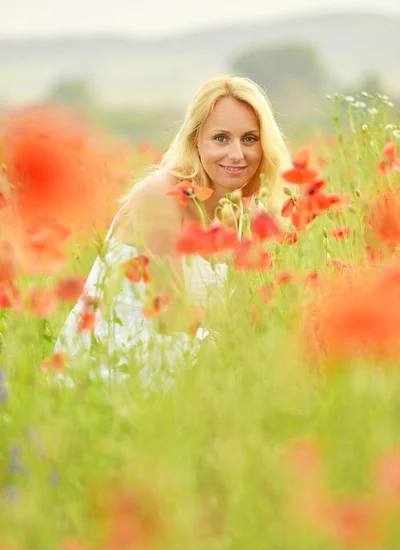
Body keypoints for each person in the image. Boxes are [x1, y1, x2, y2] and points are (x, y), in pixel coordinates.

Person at [55, 75, 293, 387]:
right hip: (110, 372)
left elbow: (245, 319)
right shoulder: (160, 195)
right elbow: (171, 318)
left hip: (191, 365)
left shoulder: (248, 214)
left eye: (249, 139)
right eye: (221, 138)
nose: (237, 154)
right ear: (195, 141)